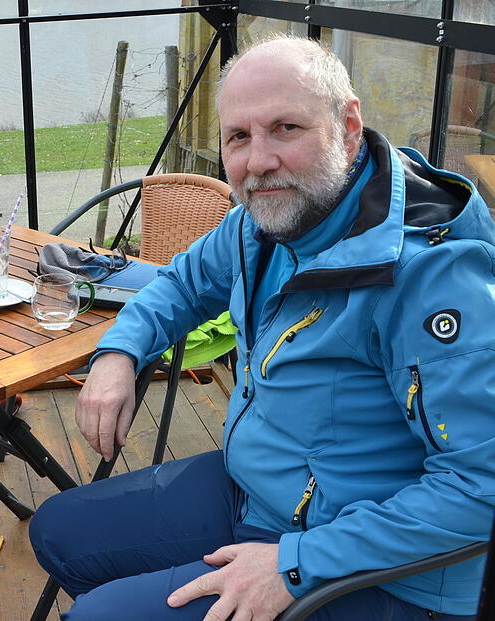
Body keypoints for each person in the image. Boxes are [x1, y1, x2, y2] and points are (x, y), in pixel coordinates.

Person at [29, 35, 495, 621]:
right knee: (57, 531)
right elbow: (182, 284)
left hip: (378, 565)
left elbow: (480, 486)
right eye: (238, 137)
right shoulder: (266, 222)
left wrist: (297, 563)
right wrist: (119, 352)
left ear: (349, 127)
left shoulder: (431, 277)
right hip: (255, 490)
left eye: (286, 129)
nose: (258, 161)